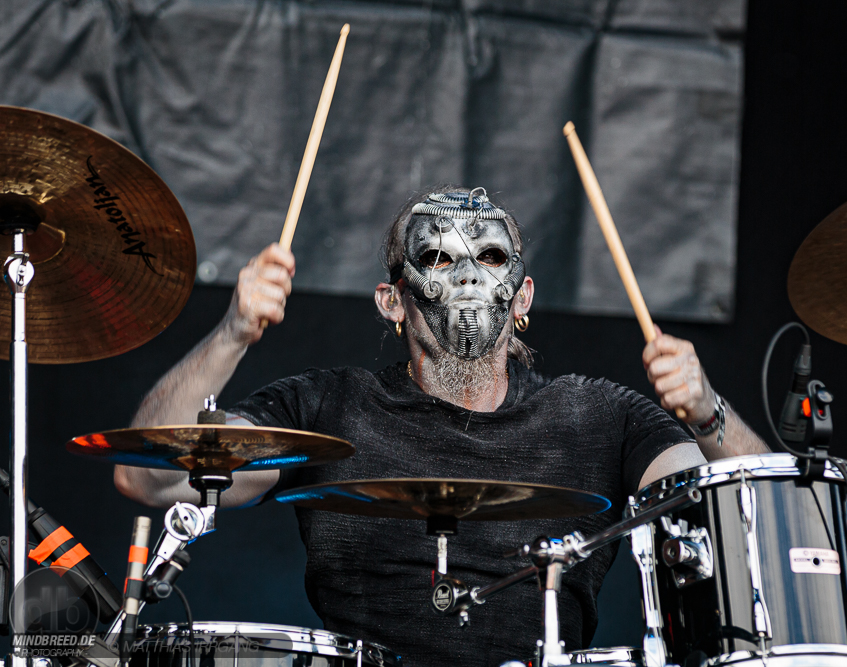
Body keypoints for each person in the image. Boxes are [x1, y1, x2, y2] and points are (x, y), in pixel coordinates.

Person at [115, 186, 769, 667]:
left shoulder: (600, 415)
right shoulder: (327, 405)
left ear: (523, 295)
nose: (467, 276)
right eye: (436, 256)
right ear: (392, 301)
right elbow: (147, 479)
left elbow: (756, 514)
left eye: (490, 255)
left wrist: (706, 410)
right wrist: (233, 332)